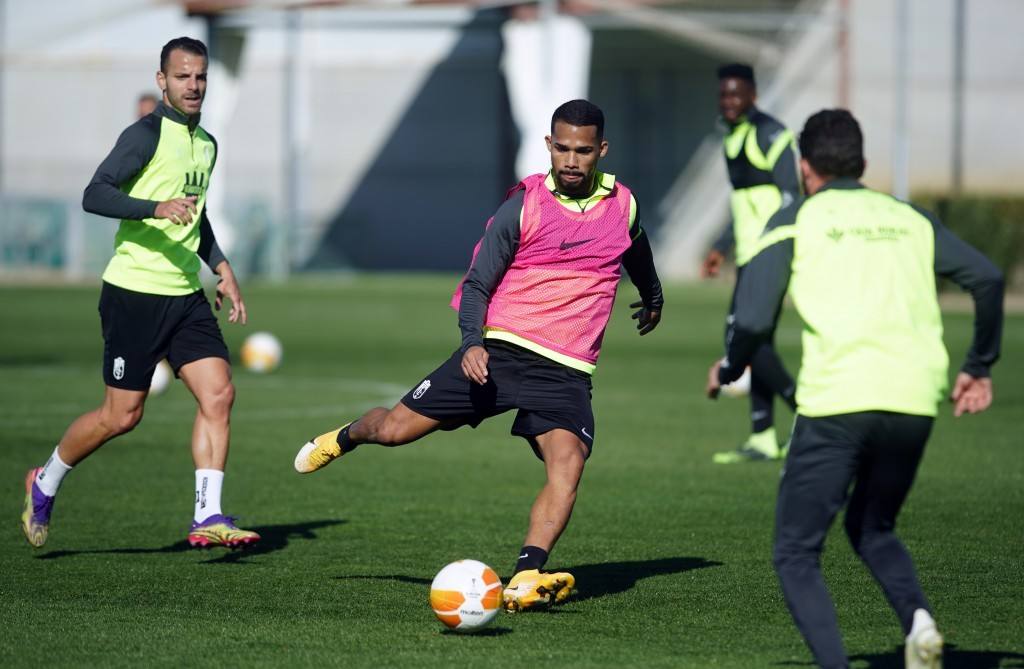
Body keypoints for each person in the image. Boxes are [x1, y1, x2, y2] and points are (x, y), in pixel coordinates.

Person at [294, 99, 664, 611]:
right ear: (548, 145)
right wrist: (472, 342)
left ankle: (526, 574)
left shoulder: (623, 205)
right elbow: (476, 285)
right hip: (500, 352)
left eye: (583, 151)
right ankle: (346, 435)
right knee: (393, 431)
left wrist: (653, 293)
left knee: (568, 466)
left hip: (567, 368)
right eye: (562, 149)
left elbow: (637, 245)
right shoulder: (524, 205)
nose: (572, 161)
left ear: (601, 150)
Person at [707, 109, 1004, 669]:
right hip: (915, 401)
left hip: (839, 401)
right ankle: (920, 624)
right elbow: (986, 278)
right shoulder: (909, 218)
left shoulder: (795, 219)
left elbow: (750, 322)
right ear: (863, 164)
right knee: (873, 525)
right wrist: (979, 364)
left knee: (796, 551)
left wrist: (731, 367)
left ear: (804, 167)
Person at [20, 37, 260, 550]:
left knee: (219, 393)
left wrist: (220, 266)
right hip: (134, 293)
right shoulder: (144, 136)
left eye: (200, 77)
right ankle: (45, 482)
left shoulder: (208, 144)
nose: (193, 86)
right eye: (182, 77)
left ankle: (208, 514)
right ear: (163, 82)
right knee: (121, 416)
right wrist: (154, 207)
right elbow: (95, 193)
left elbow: (195, 215)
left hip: (184, 294)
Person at [703, 63, 800, 464]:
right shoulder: (731, 136)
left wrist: (775, 244)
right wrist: (722, 245)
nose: (729, 101)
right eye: (724, 94)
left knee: (744, 336)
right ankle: (763, 435)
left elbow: (792, 195)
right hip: (747, 254)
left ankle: (807, 412)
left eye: (736, 94)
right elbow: (740, 200)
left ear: (753, 95)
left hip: (771, 252)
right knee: (757, 342)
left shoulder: (771, 134)